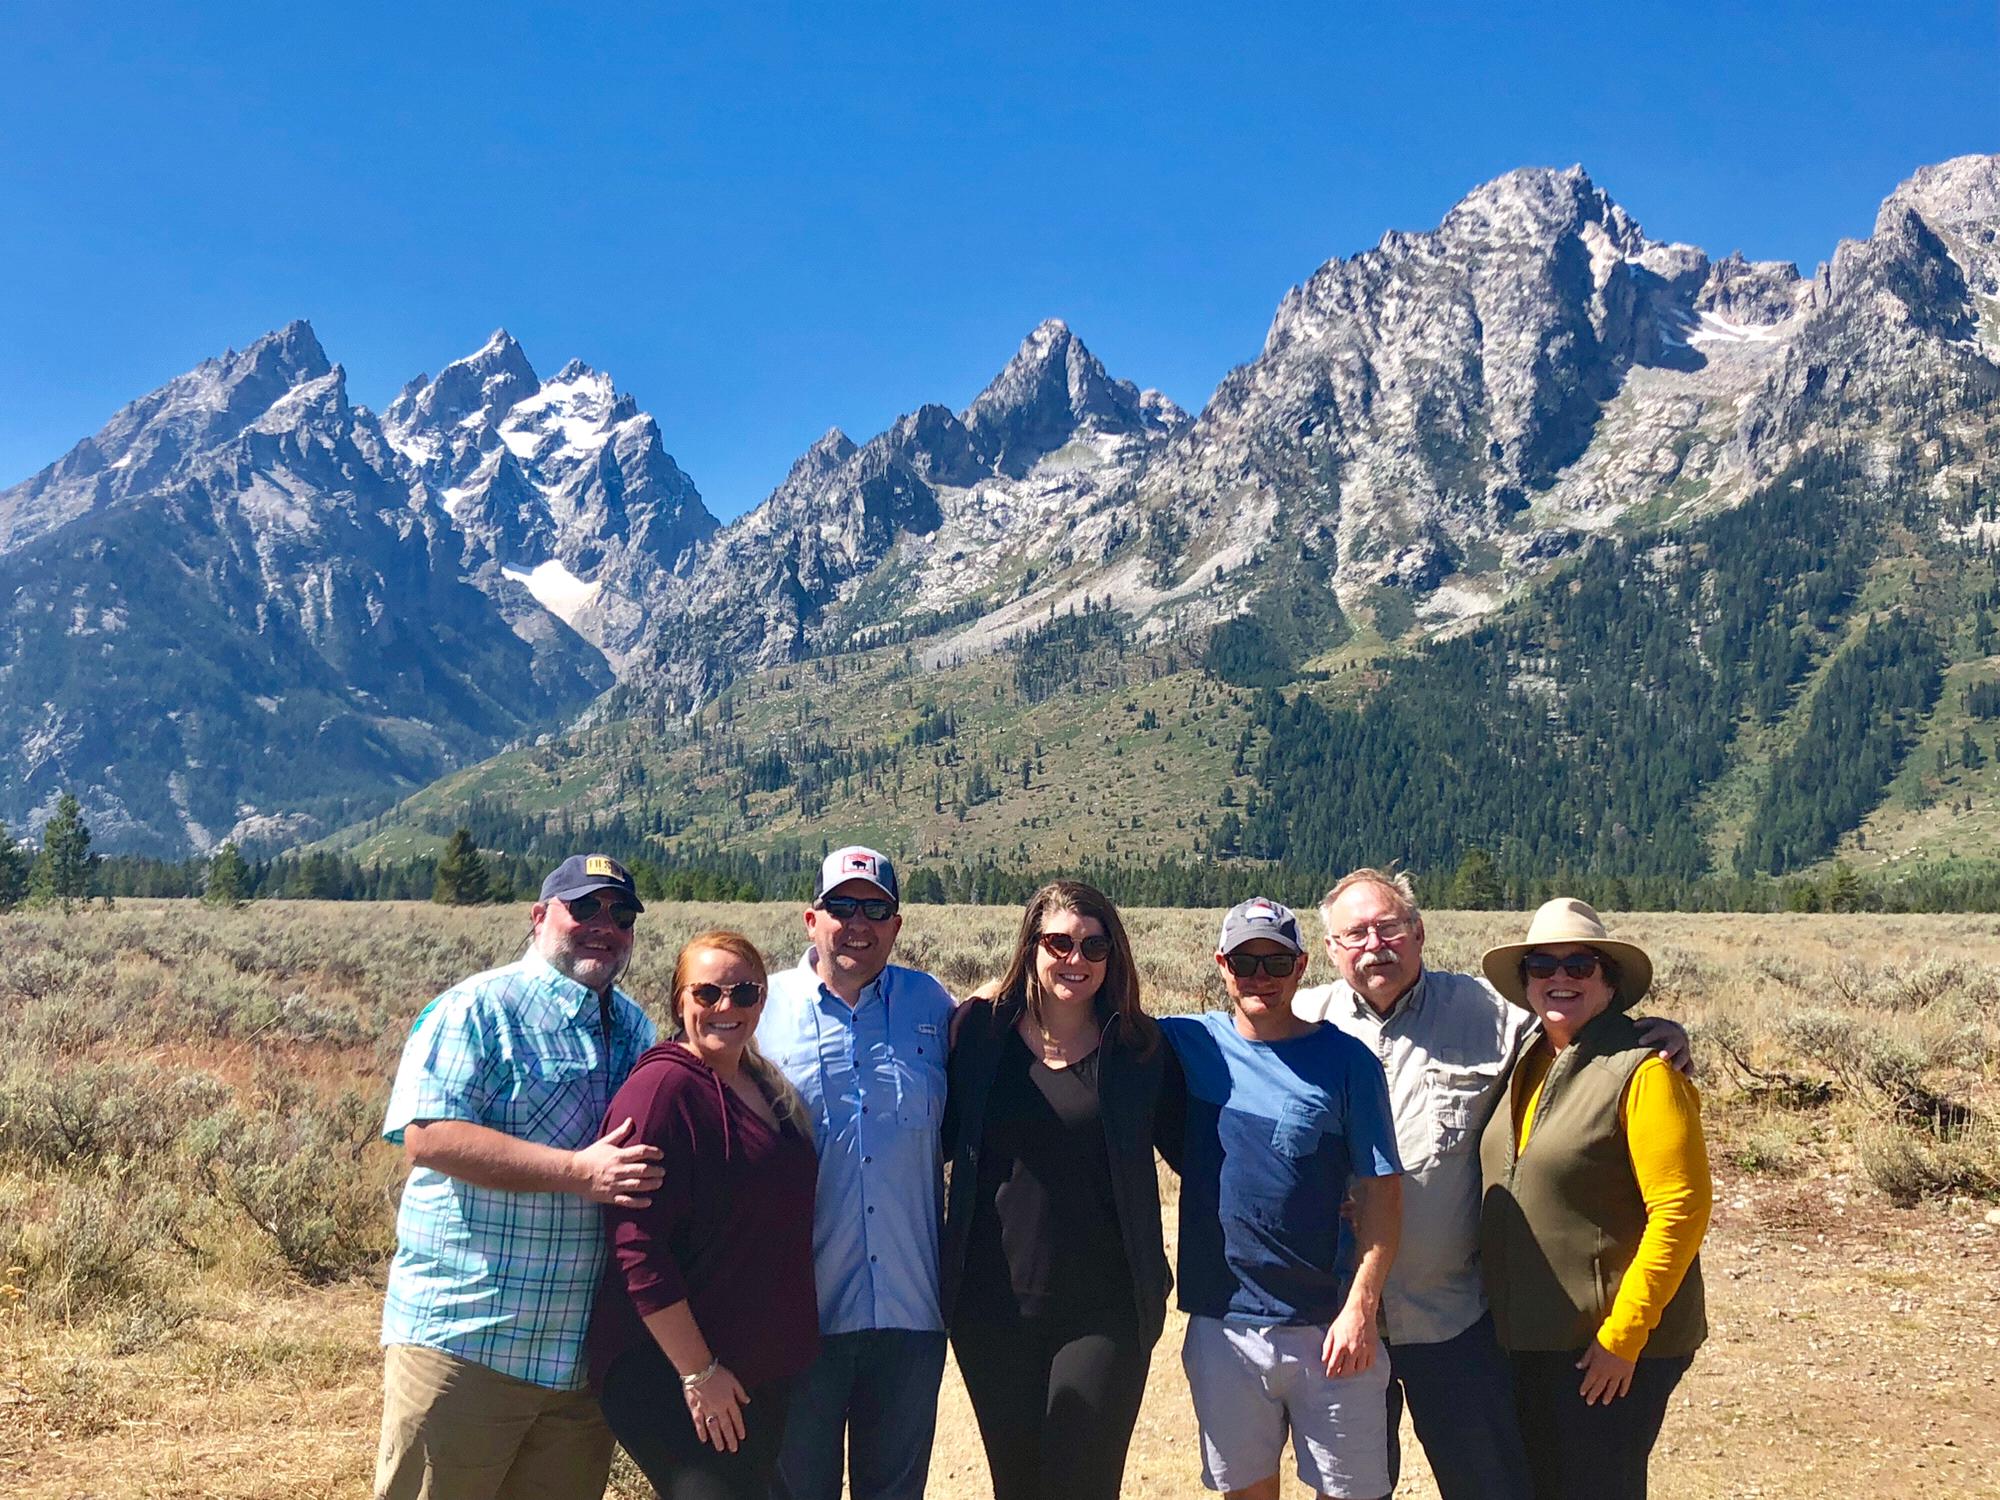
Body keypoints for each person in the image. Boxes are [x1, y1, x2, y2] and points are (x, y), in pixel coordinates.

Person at [1294, 869, 1690, 1500]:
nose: (1375, 945)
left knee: (1489, 1484)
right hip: (1339, 1315)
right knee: (1348, 1491)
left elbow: (1574, 1023)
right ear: (1333, 949)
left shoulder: (1491, 1012)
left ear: (1418, 934)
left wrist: (1658, 1034)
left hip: (1451, 1314)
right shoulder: (1300, 1021)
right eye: (1356, 933)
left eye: (1389, 927)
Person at [376, 854, 664, 1500]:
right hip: (469, 1341)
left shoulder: (636, 1029)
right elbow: (428, 1137)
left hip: (579, 1362)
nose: (603, 925)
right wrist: (578, 1172)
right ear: (539, 918)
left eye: (620, 914)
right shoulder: (476, 1009)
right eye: (583, 907)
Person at [940, 880, 1184, 1500]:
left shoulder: (1138, 1050)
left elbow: (1204, 1155)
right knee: (1016, 1486)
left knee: (1084, 1483)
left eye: (1094, 946)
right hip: (991, 1306)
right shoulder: (978, 1036)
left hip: (1106, 1309)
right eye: (1059, 943)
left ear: (1114, 955)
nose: (1076, 960)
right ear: (1032, 947)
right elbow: (925, 1135)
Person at [1163, 897, 1403, 1500]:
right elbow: (1085, 1020)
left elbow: (1382, 1193)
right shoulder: (1188, 1043)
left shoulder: (1348, 1062)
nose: (1261, 978)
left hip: (1331, 1326)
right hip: (1226, 1324)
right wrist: (983, 1002)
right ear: (1221, 965)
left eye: (1276, 962)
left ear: (1300, 968)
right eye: (1246, 962)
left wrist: (1361, 1308)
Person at [1478, 898, 1711, 1500]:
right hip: (1535, 1336)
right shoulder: (1529, 1055)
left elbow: (1680, 1213)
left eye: (1579, 965)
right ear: (1525, 981)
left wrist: (1623, 1337)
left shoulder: (1647, 1072)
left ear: (1609, 982)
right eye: (1542, 966)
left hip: (1603, 1346)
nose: (1559, 979)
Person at [589, 931, 820, 1500]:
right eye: (708, 993)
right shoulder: (661, 1089)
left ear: (762, 1000)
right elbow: (636, 1247)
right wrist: (699, 1372)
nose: (726, 1007)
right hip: (676, 1370)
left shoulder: (761, 1083)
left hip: (750, 1366)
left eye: (744, 993)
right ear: (679, 1001)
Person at [757, 846, 956, 1500]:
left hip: (911, 1312)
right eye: (841, 906)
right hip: (798, 1317)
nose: (858, 922)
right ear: (810, 919)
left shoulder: (933, 1006)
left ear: (897, 925)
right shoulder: (760, 1010)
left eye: (876, 908)